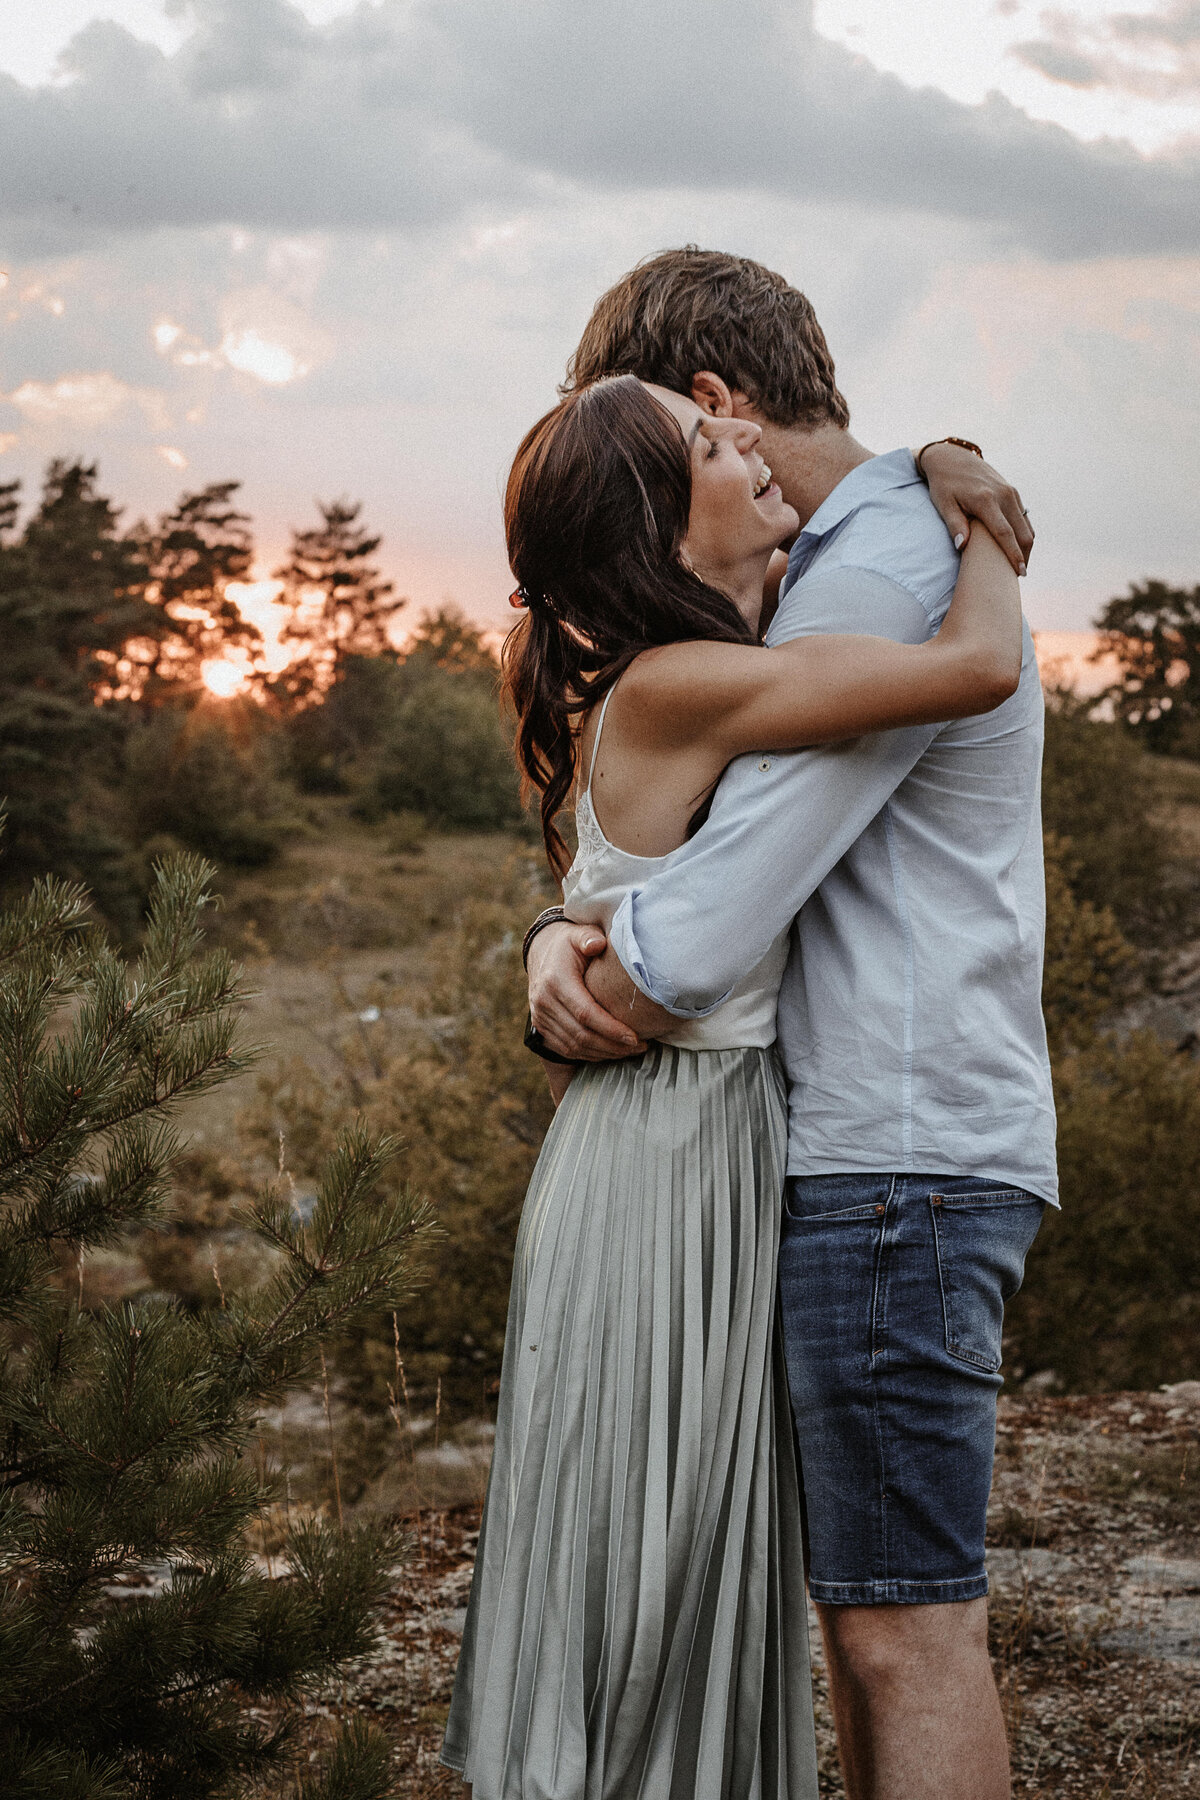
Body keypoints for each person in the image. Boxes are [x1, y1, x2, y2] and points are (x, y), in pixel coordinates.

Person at [441, 367, 1023, 1799]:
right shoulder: (683, 680)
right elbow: (977, 670)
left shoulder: (703, 662)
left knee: (698, 1554)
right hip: (663, 1156)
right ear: (660, 515)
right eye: (707, 445)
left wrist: (926, 459)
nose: (743, 447)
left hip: (698, 1142)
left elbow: (623, 901)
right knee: (651, 1562)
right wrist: (984, 514)